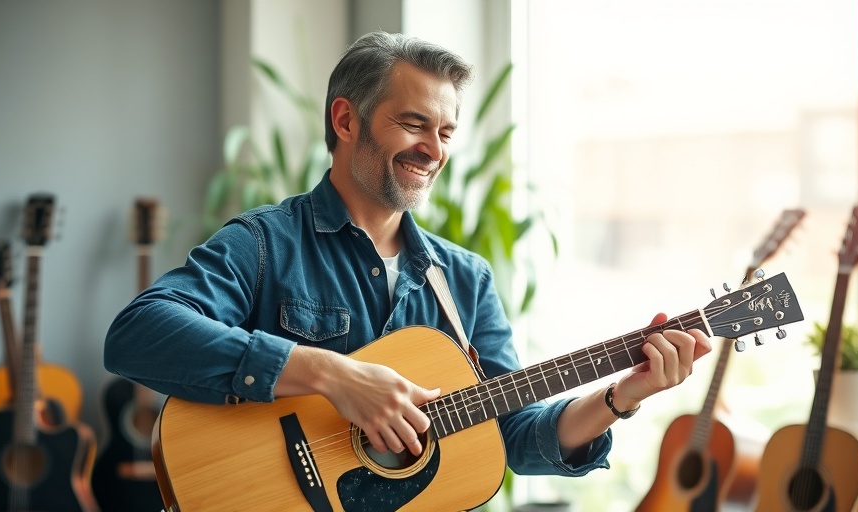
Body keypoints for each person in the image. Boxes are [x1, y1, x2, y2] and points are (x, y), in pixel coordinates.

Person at [104, 30, 711, 500]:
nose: (434, 150)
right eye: (414, 124)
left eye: (446, 131)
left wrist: (622, 394)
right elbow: (137, 335)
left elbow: (515, 436)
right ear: (346, 121)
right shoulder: (266, 243)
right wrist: (332, 375)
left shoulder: (464, 280)